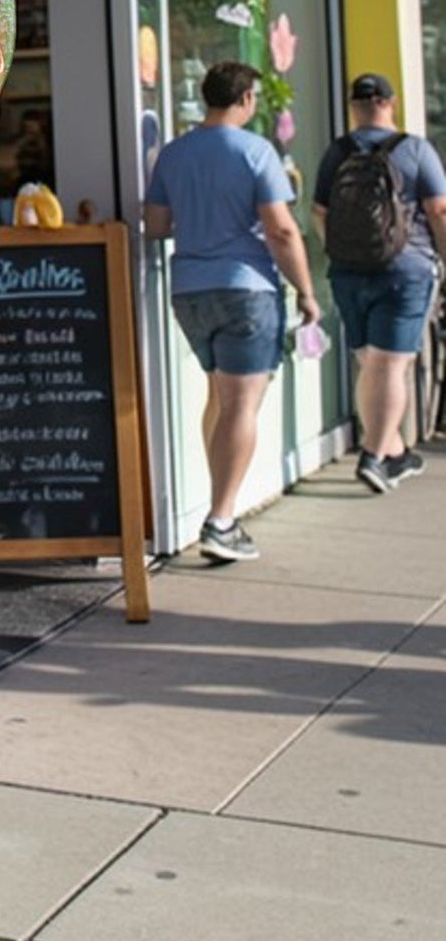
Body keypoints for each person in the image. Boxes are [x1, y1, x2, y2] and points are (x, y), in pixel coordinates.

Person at [145, 60, 320, 563]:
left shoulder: (173, 154)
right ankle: (221, 519)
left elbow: (156, 224)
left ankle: (219, 501)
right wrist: (306, 292)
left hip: (189, 290)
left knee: (219, 398)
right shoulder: (255, 151)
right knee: (241, 405)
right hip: (246, 288)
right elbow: (283, 231)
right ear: (244, 98)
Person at [312, 73, 446, 493]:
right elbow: (439, 211)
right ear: (391, 102)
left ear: (354, 106)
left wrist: (343, 251)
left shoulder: (337, 152)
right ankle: (374, 456)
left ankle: (393, 450)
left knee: (369, 362)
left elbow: (319, 213)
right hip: (404, 270)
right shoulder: (415, 150)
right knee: (391, 364)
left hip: (350, 272)